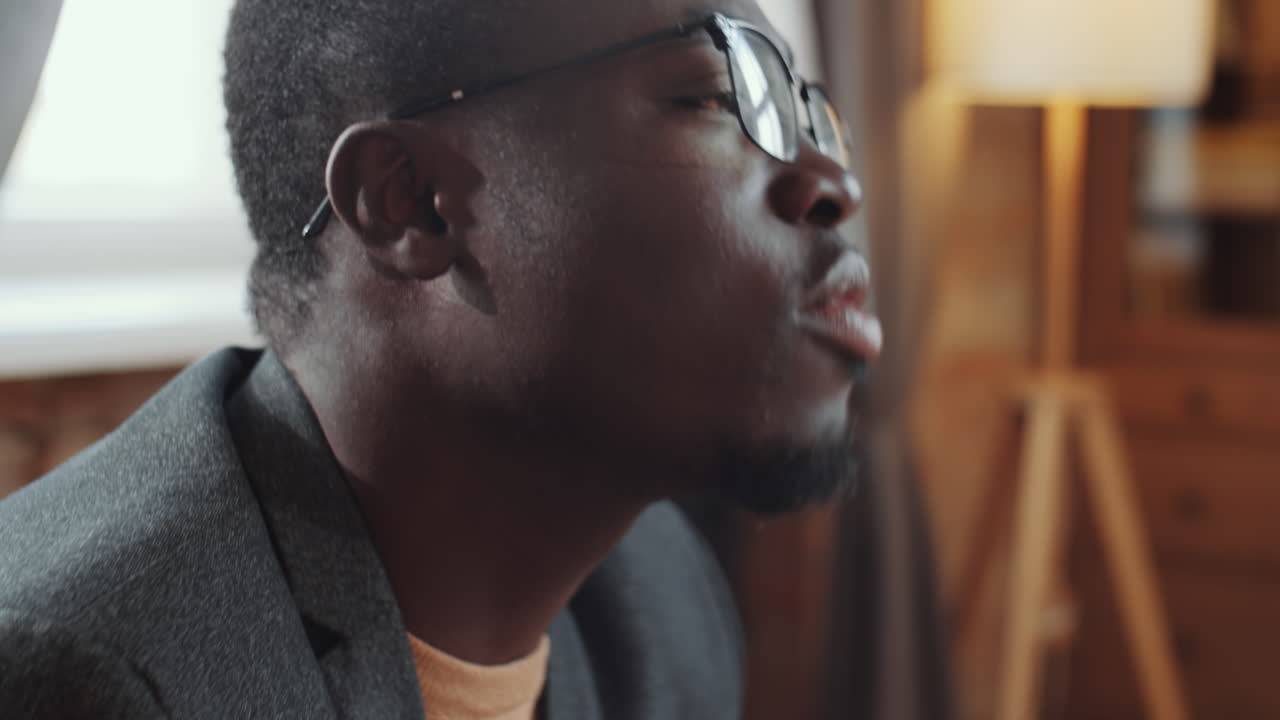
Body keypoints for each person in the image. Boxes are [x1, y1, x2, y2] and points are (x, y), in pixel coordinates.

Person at [0, 0, 879, 717]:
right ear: (413, 205)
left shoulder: (664, 602)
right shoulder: (85, 671)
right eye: (719, 100)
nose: (833, 183)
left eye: (806, 112)